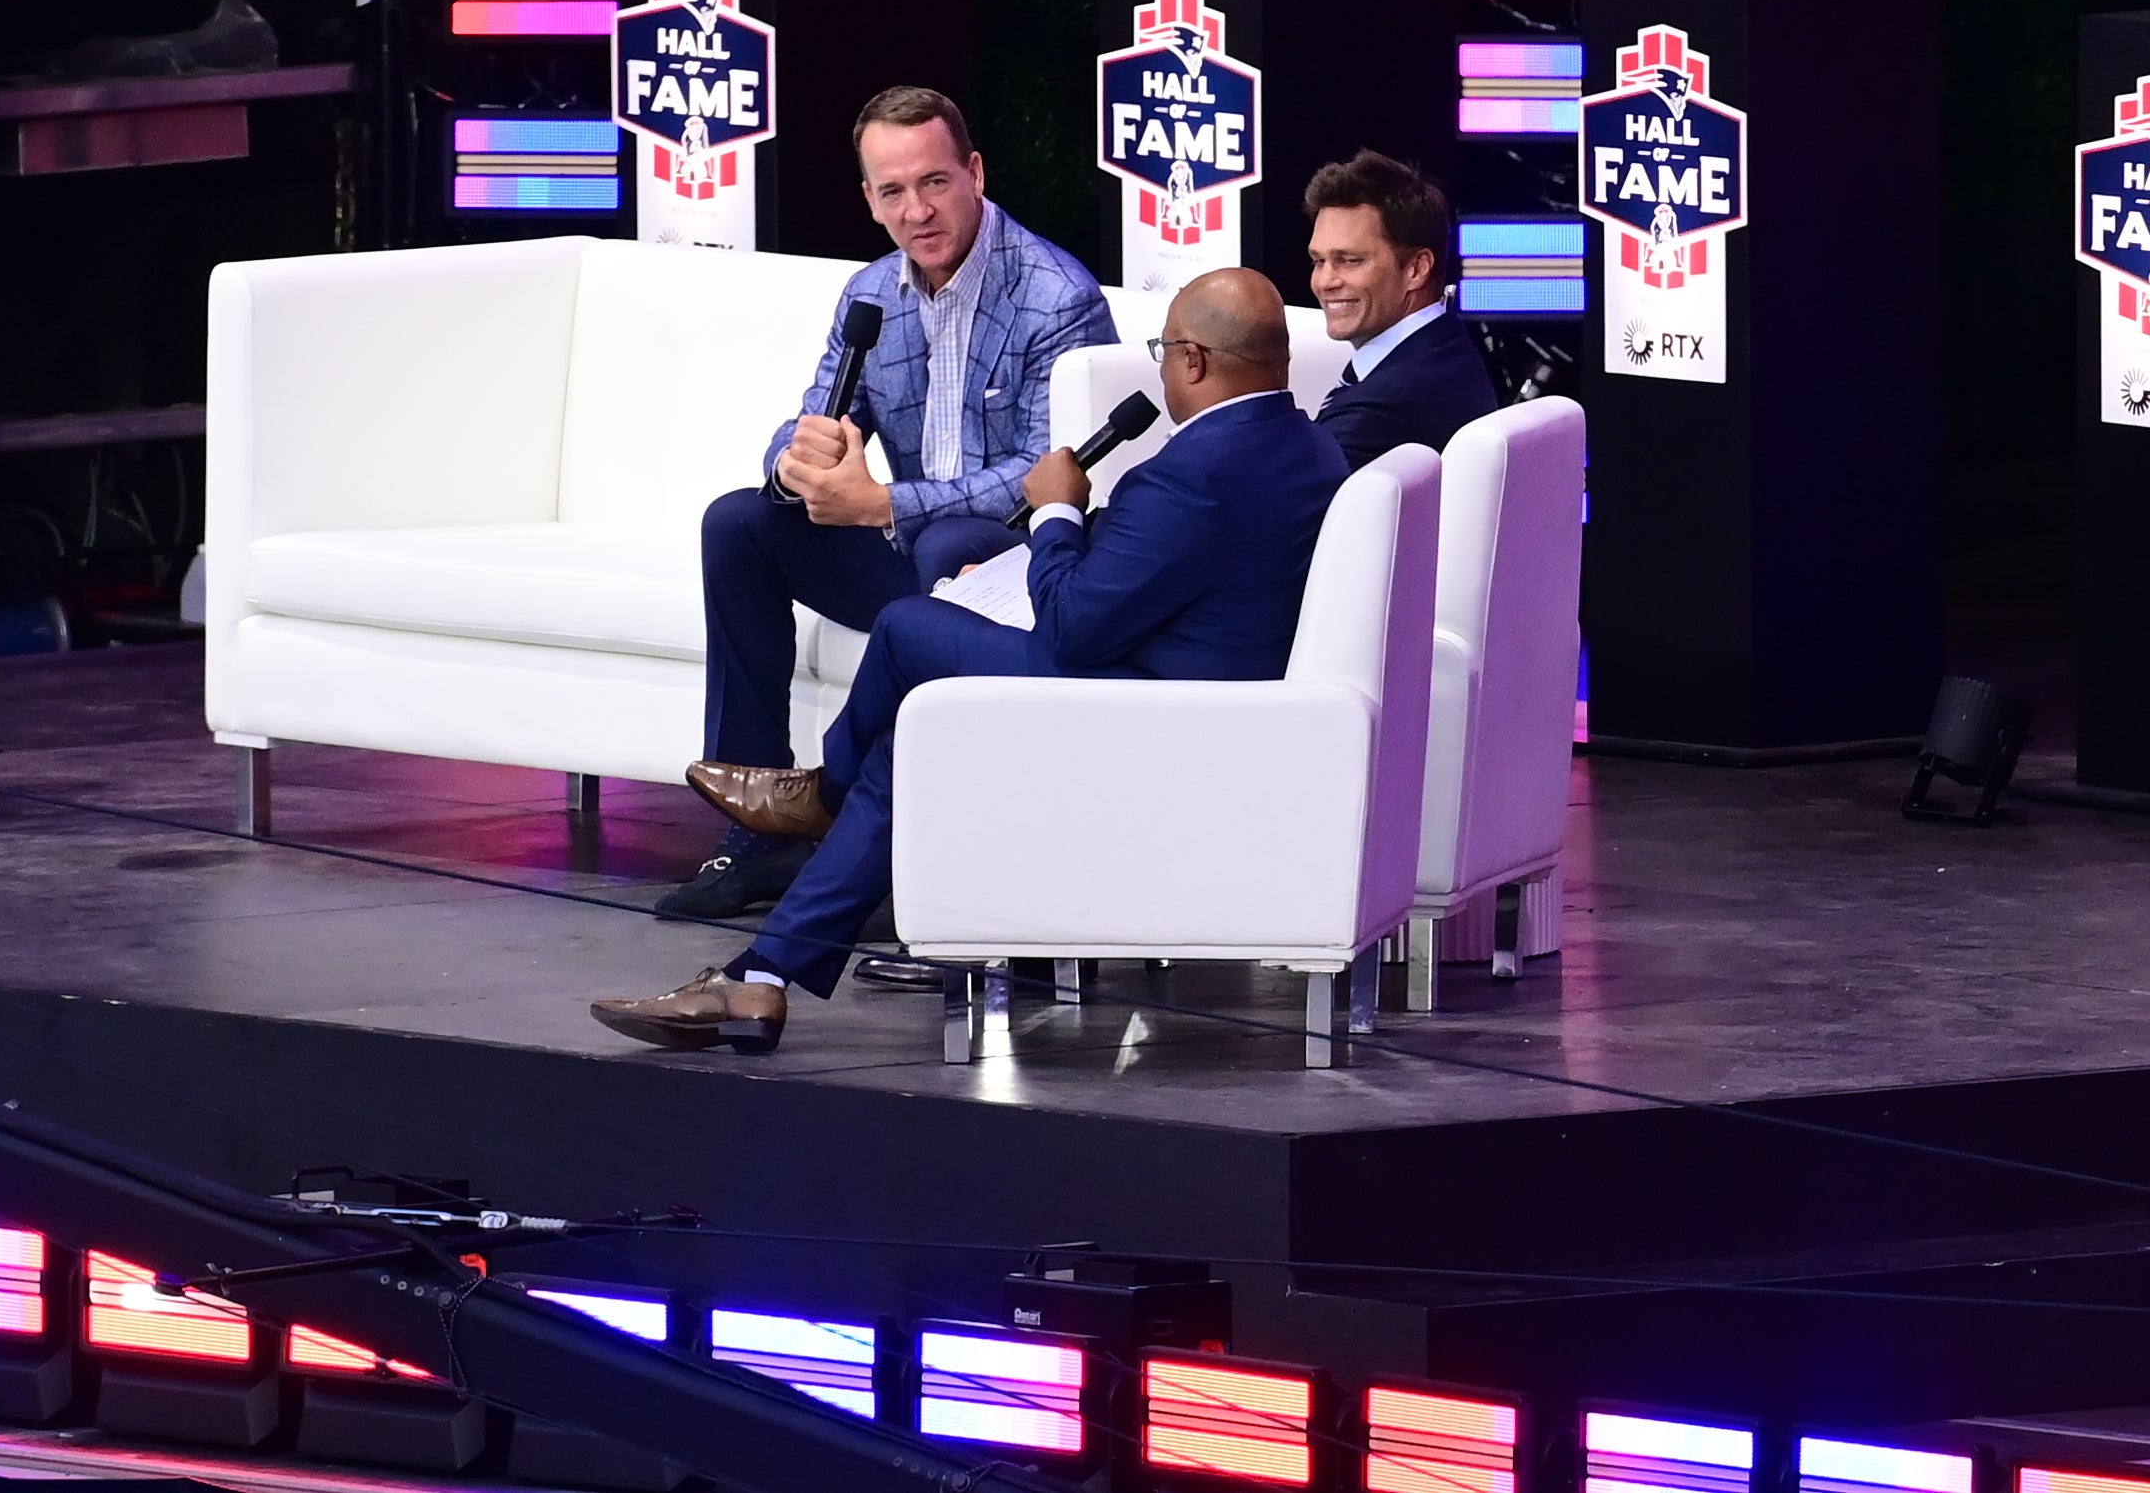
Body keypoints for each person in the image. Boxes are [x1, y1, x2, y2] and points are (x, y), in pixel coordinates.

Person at [591, 268, 1352, 1053]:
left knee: (907, 627)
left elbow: (1073, 633)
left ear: (1192, 360)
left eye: (1163, 350)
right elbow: (1159, 579)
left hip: (1141, 709)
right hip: (1191, 683)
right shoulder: (1308, 448)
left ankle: (822, 797)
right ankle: (763, 977)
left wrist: (1058, 509)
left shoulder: (1193, 472)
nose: (1161, 366)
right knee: (913, 742)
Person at [658, 86, 1118, 923]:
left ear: (974, 173)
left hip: (1002, 562)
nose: (919, 210)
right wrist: (802, 469)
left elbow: (1050, 468)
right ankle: (758, 835)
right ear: (869, 200)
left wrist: (884, 504)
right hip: (897, 544)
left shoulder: (1057, 297)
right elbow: (815, 413)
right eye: (894, 191)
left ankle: (899, 849)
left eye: (935, 182)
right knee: (739, 524)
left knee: (949, 548)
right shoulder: (871, 295)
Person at [1302, 150, 1501, 469]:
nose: (1324, 282)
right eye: (1318, 261)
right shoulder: (1448, 344)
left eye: (1350, 261)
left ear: (1416, 269)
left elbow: (1285, 510)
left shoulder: (1381, 410)